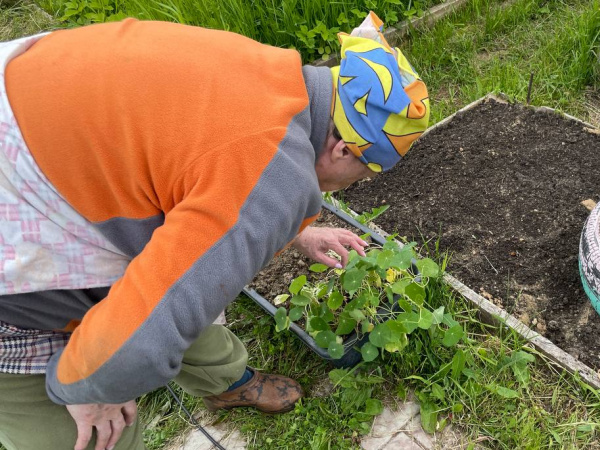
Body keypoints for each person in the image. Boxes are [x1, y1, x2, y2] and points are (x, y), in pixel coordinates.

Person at [0, 11, 429, 450]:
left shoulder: (270, 71)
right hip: (18, 274)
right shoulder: (274, 172)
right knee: (92, 433)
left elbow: (211, 164)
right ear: (342, 149)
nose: (350, 186)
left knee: (188, 287)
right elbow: (135, 348)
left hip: (26, 110)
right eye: (363, 175)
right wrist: (82, 390)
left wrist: (297, 233)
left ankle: (225, 382)